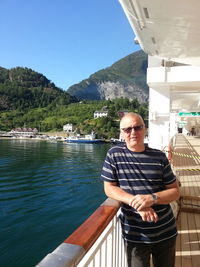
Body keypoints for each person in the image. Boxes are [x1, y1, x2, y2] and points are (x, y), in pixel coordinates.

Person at [101, 112, 180, 267]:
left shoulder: (159, 157)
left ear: (145, 129)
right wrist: (136, 202)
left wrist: (152, 198)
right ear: (121, 133)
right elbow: (109, 188)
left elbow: (175, 191)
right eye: (127, 129)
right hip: (135, 235)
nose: (133, 132)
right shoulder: (114, 154)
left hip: (166, 232)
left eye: (137, 127)